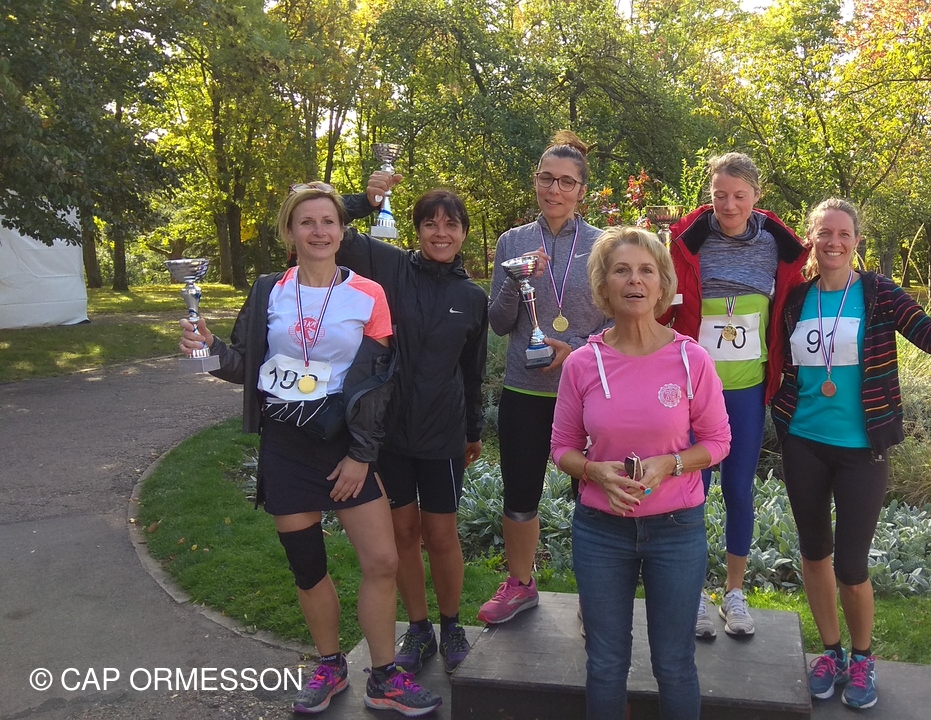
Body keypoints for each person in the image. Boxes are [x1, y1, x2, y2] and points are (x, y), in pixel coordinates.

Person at [179, 182, 441, 716]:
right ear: (290, 231)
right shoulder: (267, 290)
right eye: (307, 222)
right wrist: (207, 349)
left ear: (342, 231)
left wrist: (362, 455)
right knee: (307, 566)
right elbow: (245, 366)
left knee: (382, 560)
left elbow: (380, 382)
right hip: (286, 443)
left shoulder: (368, 294)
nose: (318, 231)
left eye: (328, 221)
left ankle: (384, 676)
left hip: (344, 444)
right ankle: (329, 665)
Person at [771, 198, 931, 710]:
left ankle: (863, 657)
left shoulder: (878, 293)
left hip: (860, 449)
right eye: (824, 233)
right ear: (811, 238)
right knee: (814, 553)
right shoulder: (795, 299)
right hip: (803, 442)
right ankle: (830, 652)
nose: (833, 242)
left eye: (843, 234)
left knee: (850, 565)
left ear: (856, 241)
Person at [551, 226, 731, 720]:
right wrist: (593, 471)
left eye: (646, 270)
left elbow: (718, 442)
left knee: (674, 664)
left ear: (662, 284)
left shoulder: (692, 359)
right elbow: (561, 448)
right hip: (600, 531)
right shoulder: (582, 364)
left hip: (676, 530)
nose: (635, 280)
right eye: (622, 270)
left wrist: (672, 463)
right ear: (603, 285)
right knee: (605, 664)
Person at [338, 182, 488, 675]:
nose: (440, 233)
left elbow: (473, 372)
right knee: (402, 532)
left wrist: (472, 431)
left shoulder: (472, 297)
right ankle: (419, 630)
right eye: (430, 223)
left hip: (443, 434)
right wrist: (366, 200)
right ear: (417, 229)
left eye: (451, 224)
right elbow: (330, 226)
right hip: (390, 433)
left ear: (463, 233)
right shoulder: (391, 268)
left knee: (441, 534)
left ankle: (452, 625)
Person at [660, 152, 807, 637]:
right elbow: (664, 307)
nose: (728, 205)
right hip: (692, 393)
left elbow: (789, 308)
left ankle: (735, 593)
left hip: (746, 390)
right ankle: (693, 595)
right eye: (719, 194)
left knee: (739, 488)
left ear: (756, 196)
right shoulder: (687, 241)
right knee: (691, 491)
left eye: (739, 196)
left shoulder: (775, 245)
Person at [481, 130, 610, 624]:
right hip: (525, 388)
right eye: (546, 178)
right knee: (520, 494)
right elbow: (498, 323)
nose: (554, 189)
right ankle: (520, 584)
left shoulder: (602, 245)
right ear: (535, 181)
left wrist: (573, 348)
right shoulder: (512, 242)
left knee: (593, 498)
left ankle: (595, 598)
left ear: (581, 190)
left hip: (587, 391)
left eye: (566, 182)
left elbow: (618, 319)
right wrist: (516, 283)